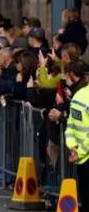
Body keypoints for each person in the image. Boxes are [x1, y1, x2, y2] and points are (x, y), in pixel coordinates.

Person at [65, 61, 89, 205]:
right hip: (82, 155)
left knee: (85, 199)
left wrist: (74, 148)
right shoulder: (79, 95)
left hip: (81, 156)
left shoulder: (78, 95)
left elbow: (70, 126)